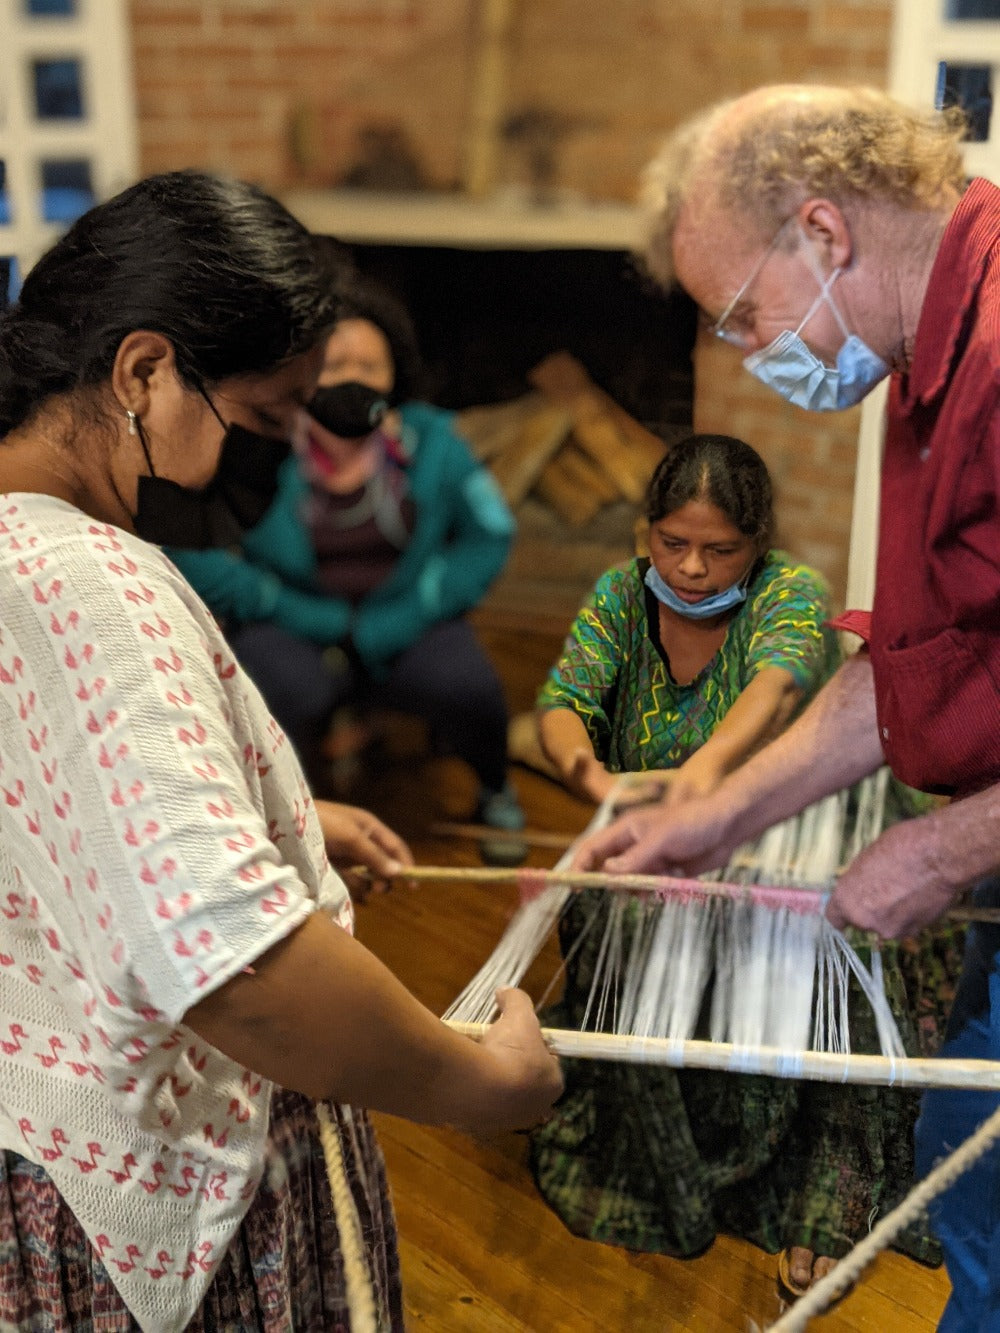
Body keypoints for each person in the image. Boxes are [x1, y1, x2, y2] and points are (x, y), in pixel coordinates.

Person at [0, 169, 562, 1332]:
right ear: (144, 370)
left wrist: (273, 822)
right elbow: (240, 972)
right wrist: (476, 1084)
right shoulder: (92, 581)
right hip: (180, 1183)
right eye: (261, 422)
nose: (266, 462)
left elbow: (68, 814)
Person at [572, 84, 999, 1328]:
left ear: (823, 234)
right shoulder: (930, 359)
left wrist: (941, 845)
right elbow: (918, 658)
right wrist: (717, 812)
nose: (748, 355)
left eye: (741, 315)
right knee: (964, 1170)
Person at [529, 432, 957, 1289]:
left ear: (758, 544)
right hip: (667, 837)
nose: (690, 568)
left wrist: (701, 789)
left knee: (845, 948)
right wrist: (593, 778)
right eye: (672, 543)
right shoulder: (619, 594)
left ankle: (825, 1195)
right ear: (646, 533)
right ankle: (657, 1154)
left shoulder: (790, 593)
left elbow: (775, 689)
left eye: (720, 550)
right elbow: (565, 702)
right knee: (626, 912)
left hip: (793, 835)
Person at [169, 268, 526, 848]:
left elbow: (490, 533)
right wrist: (278, 603)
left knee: (470, 690)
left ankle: (494, 787)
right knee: (267, 689)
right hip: (294, 622)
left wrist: (418, 607)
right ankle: (279, 814)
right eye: (335, 367)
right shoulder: (260, 444)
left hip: (404, 620)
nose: (353, 381)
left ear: (395, 373)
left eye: (369, 367)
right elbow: (189, 544)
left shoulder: (434, 440)